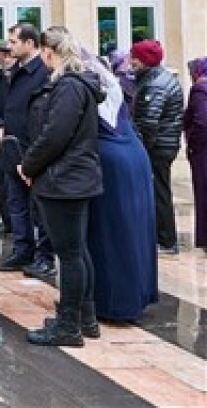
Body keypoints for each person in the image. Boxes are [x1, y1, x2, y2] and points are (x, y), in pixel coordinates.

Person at [17, 26, 104, 347]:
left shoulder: (69, 87)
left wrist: (28, 166)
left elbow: (55, 135)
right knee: (77, 250)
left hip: (65, 179)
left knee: (69, 254)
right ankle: (85, 318)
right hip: (75, 177)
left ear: (48, 52)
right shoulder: (79, 84)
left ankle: (69, 326)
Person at [84, 52, 158, 322]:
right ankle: (136, 295)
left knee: (112, 235)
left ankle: (115, 302)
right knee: (134, 231)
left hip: (112, 165)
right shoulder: (115, 86)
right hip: (134, 159)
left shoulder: (87, 90)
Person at [0, 24, 54, 277]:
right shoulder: (14, 71)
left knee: (39, 206)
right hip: (12, 144)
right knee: (15, 202)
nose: (10, 46)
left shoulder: (43, 71)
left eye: (15, 41)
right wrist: (0, 125)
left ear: (30, 43)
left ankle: (45, 256)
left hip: (33, 147)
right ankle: (22, 250)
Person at [128, 39, 184, 255]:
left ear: (143, 60)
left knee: (159, 193)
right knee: (160, 191)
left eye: (134, 57)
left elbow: (148, 122)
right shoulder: (157, 78)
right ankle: (164, 238)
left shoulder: (155, 84)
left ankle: (166, 240)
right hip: (164, 144)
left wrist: (140, 149)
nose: (130, 61)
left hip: (159, 147)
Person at [185, 57, 207, 250]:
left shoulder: (200, 89)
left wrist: (192, 144)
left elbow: (201, 121)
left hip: (203, 151)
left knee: (203, 192)